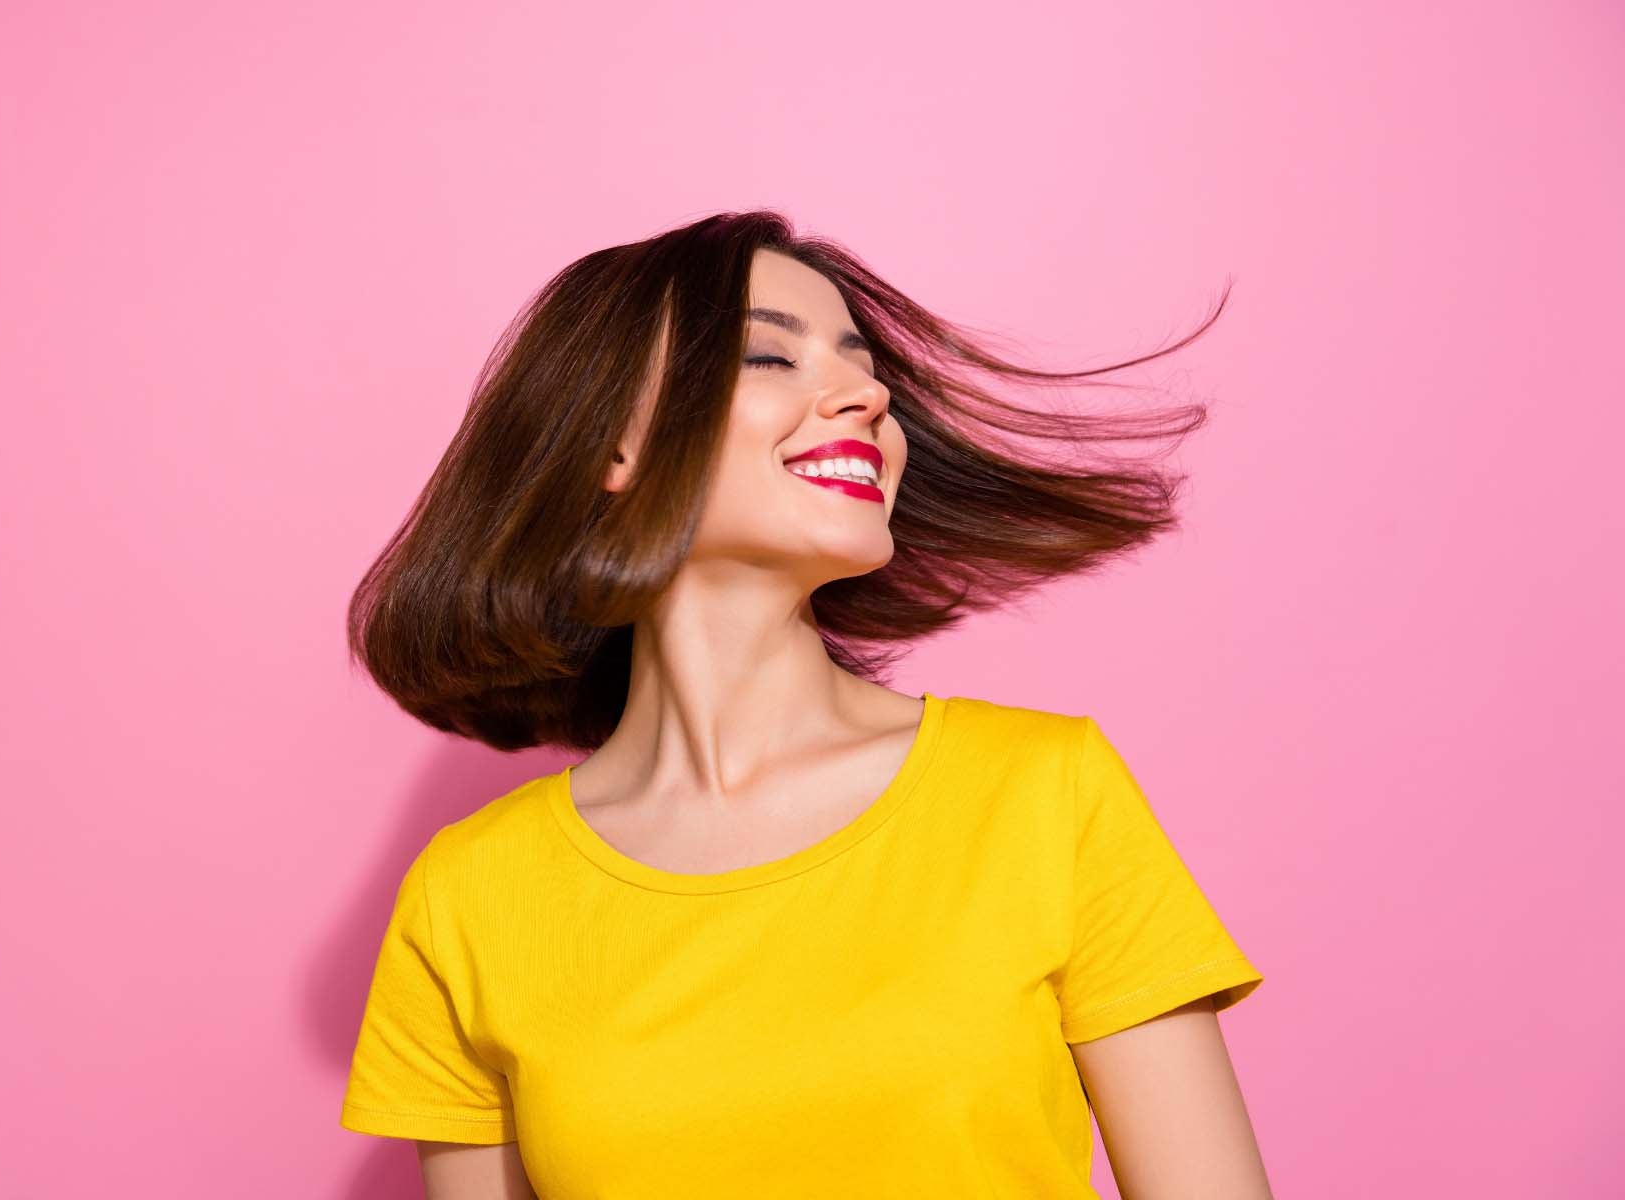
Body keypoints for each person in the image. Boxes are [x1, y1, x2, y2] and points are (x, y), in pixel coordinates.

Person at [338, 210, 1272, 1198]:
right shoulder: (472, 898)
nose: (866, 395)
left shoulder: (1043, 794)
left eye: (863, 365)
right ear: (614, 451)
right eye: (769, 359)